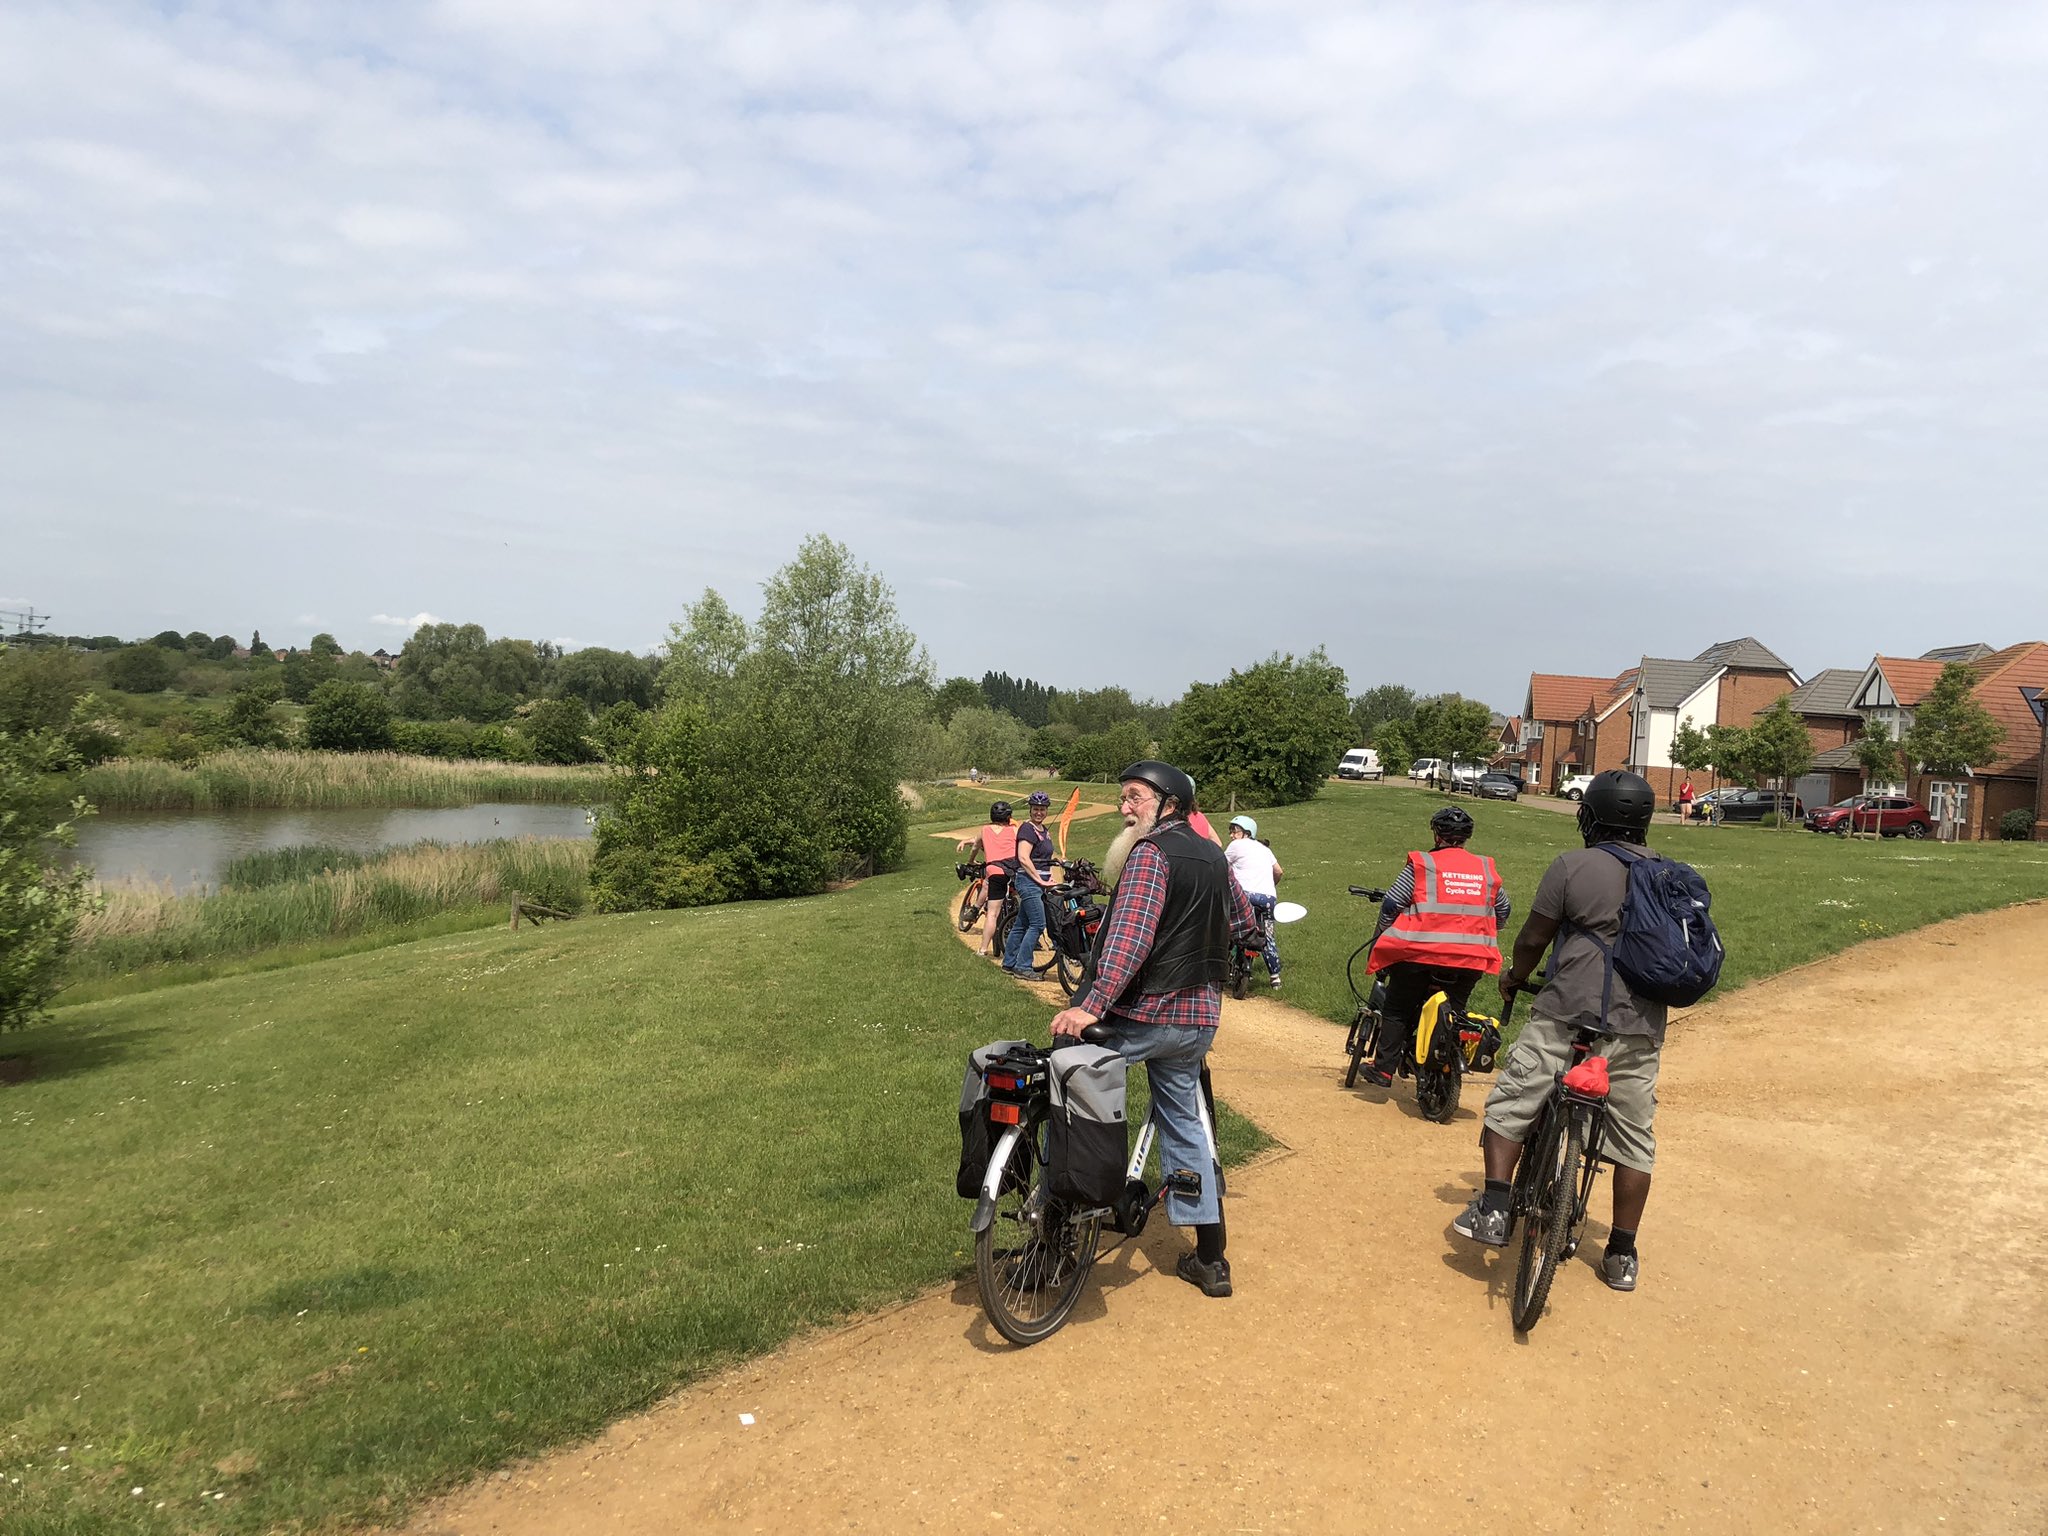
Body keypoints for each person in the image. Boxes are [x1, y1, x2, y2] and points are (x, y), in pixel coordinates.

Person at [1051, 760, 1262, 1299]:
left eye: (1135, 797)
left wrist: (1091, 1005)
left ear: (1168, 803)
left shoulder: (1150, 854)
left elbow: (1130, 940)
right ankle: (1212, 1260)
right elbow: (1243, 922)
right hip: (1197, 1023)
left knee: (1069, 1073)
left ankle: (1063, 1228)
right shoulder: (1214, 856)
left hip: (1144, 1015)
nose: (1125, 808)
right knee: (1186, 1121)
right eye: (1125, 797)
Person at [1453, 769, 1667, 1294]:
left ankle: (1498, 1210)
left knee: (1510, 1105)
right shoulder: (1669, 875)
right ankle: (1621, 1252)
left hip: (1567, 1013)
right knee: (1634, 1140)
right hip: (1638, 1027)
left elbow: (1532, 939)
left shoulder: (1573, 866)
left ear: (1590, 815)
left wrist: (1514, 979)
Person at [1357, 805, 1512, 1089]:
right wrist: (1488, 931)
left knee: (1397, 1008)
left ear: (1437, 834)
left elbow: (1392, 904)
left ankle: (1384, 1069)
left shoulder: (1423, 865)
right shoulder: (1483, 870)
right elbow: (1504, 909)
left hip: (1420, 955)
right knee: (1454, 1010)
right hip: (1470, 960)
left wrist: (1382, 934)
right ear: (1467, 837)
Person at [1222, 814, 1284, 989]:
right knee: (1268, 935)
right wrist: (1269, 887)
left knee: (1230, 926)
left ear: (1247, 833)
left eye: (1235, 831)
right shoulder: (1265, 849)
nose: (1232, 835)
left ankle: (1222, 964)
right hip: (1268, 898)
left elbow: (1220, 865)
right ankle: (1275, 978)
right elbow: (1279, 871)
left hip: (1244, 894)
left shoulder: (1236, 845)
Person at [1001, 790, 1058, 978]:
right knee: (1038, 923)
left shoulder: (1044, 831)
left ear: (1047, 810)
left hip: (1037, 882)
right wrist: (1040, 879)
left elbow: (1044, 858)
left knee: (1021, 923)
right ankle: (1023, 967)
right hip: (1028, 881)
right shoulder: (1028, 829)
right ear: (1030, 810)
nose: (1039, 812)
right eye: (1035, 809)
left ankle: (1009, 963)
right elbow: (1024, 858)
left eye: (1042, 809)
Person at [956, 802, 1017, 959]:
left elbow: (975, 847)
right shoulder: (1015, 830)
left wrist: (970, 862)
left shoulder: (985, 830)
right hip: (1013, 871)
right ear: (1009, 817)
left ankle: (983, 950)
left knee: (992, 913)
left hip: (995, 872)